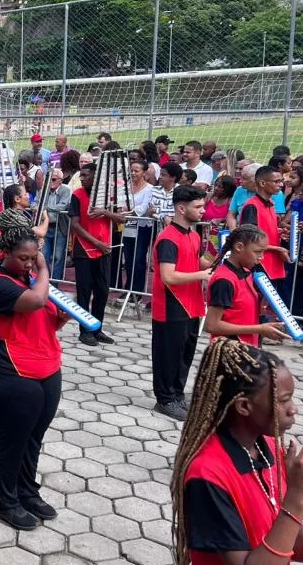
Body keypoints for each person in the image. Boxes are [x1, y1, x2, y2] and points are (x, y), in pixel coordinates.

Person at [170, 338, 303, 565]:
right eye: (283, 400)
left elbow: (288, 539)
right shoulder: (207, 475)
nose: (293, 408)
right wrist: (297, 497)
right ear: (244, 406)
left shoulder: (268, 447)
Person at [0, 225, 68, 531]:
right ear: (6, 253)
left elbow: (41, 321)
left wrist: (61, 319)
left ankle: (27, 491)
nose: (29, 263)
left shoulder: (30, 279)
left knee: (33, 437)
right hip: (7, 370)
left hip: (46, 365)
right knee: (11, 439)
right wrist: (44, 269)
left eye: (33, 257)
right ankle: (6, 502)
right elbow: (36, 302)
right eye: (23, 258)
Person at [151, 185, 212, 421]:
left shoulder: (194, 235)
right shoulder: (168, 238)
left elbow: (200, 263)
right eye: (198, 207)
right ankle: (165, 399)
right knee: (169, 354)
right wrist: (202, 275)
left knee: (185, 354)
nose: (203, 211)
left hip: (191, 304)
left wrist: (221, 249)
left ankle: (177, 395)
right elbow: (168, 276)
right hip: (171, 305)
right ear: (181, 208)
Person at [68, 163, 124, 346]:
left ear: (96, 177)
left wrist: (105, 211)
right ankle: (84, 330)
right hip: (84, 248)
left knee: (102, 291)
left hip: (104, 249)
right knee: (84, 291)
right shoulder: (77, 195)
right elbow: (75, 225)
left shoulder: (109, 196)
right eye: (81, 175)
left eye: (85, 175)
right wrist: (96, 243)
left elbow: (122, 218)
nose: (82, 178)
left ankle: (97, 329)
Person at [206, 225, 287, 347]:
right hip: (230, 349)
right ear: (239, 247)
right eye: (258, 252)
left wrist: (262, 309)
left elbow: (239, 310)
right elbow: (212, 325)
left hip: (247, 346)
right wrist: (260, 329)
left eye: (263, 252)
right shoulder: (224, 280)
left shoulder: (246, 272)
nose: (261, 257)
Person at [239, 165, 289, 300]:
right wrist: (277, 249)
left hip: (272, 263)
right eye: (276, 181)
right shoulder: (252, 206)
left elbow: (264, 230)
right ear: (262, 183)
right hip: (259, 264)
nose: (281, 185)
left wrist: (279, 233)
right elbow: (249, 240)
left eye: (281, 181)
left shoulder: (271, 203)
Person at [122, 160, 154, 293]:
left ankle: (137, 290)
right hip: (127, 226)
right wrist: (128, 210)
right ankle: (128, 287)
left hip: (142, 227)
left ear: (144, 172)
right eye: (131, 170)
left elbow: (143, 208)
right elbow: (120, 204)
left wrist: (128, 210)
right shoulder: (126, 186)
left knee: (139, 258)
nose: (133, 173)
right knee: (128, 258)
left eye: (137, 171)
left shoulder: (150, 189)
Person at [42, 169, 71, 279]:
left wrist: (43, 207)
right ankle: (46, 280)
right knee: (44, 255)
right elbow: (35, 202)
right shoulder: (44, 189)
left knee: (58, 256)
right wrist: (39, 206)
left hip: (60, 227)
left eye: (53, 179)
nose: (50, 182)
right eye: (48, 179)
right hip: (46, 226)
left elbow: (61, 207)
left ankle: (55, 282)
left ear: (60, 180)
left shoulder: (66, 190)